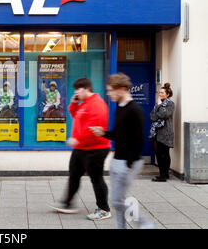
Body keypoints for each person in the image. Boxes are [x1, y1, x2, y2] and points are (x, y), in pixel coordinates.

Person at [91, 73, 154, 229]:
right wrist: (103, 133)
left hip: (128, 162)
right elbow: (118, 134)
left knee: (117, 201)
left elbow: (139, 139)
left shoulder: (135, 110)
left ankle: (146, 225)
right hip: (117, 159)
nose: (108, 93)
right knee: (119, 201)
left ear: (123, 89)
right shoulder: (119, 107)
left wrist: (130, 163)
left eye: (111, 90)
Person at [49, 77, 111, 221]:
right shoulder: (84, 104)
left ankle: (104, 209)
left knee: (96, 179)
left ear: (86, 89)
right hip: (81, 148)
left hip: (96, 148)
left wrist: (78, 139)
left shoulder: (97, 104)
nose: (76, 92)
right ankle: (67, 204)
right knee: (74, 175)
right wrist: (73, 104)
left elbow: (94, 128)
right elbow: (77, 117)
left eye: (78, 89)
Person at [149, 83, 175, 182]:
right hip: (156, 132)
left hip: (165, 133)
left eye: (162, 92)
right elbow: (152, 116)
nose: (159, 94)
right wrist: (159, 107)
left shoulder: (170, 104)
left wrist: (159, 108)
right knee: (158, 154)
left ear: (167, 94)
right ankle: (162, 174)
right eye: (159, 92)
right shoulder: (158, 104)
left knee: (165, 154)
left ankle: (164, 175)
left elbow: (164, 114)